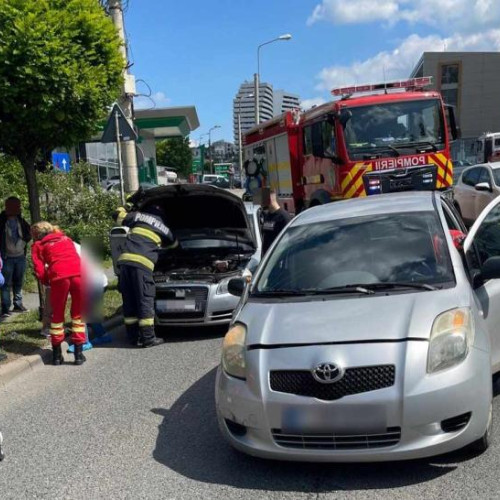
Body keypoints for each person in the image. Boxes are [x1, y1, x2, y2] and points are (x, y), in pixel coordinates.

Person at [114, 203, 177, 348]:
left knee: (129, 301)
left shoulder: (137, 217)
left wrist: (130, 202)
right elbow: (174, 245)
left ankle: (132, 337)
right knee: (144, 300)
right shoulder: (164, 227)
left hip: (124, 263)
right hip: (142, 265)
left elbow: (117, 214)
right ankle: (148, 338)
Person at [31, 222, 86, 366]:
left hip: (59, 277)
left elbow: (39, 269)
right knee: (78, 315)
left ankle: (56, 356)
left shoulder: (38, 245)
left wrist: (46, 281)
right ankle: (79, 355)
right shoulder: (65, 239)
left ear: (36, 235)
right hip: (78, 274)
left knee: (57, 317)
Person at [0, 197, 31, 317]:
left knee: (18, 282)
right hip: (6, 257)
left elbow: (28, 233)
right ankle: (5, 308)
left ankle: (18, 305)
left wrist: (23, 242)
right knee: (6, 284)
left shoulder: (21, 220)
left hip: (20, 256)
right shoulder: (1, 220)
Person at [260, 189, 292, 255]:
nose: (260, 203)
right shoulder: (267, 215)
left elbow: (288, 241)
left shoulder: (284, 217)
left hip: (278, 257)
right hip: (267, 257)